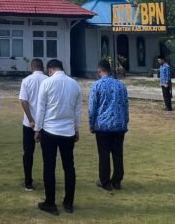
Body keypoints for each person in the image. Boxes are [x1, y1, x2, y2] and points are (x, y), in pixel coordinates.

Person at [35, 59, 82, 215]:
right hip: (68, 131)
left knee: (49, 167)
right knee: (69, 167)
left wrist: (37, 129)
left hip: (49, 130)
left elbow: (41, 109)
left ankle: (50, 202)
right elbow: (77, 111)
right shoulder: (74, 84)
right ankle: (68, 203)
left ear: (50, 70)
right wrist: (76, 129)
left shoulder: (47, 84)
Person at [89, 60, 129, 191]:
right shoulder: (121, 85)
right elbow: (125, 105)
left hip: (103, 125)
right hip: (119, 125)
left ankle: (105, 181)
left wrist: (91, 122)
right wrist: (125, 121)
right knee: (118, 154)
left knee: (104, 154)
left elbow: (92, 106)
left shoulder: (97, 85)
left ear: (99, 71)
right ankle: (117, 180)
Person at [19, 58, 47, 192]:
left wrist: (31, 119)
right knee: (47, 154)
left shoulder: (26, 80)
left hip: (28, 123)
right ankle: (48, 180)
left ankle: (28, 181)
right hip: (46, 123)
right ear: (42, 67)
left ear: (32, 68)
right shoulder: (48, 80)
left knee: (28, 153)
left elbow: (24, 101)